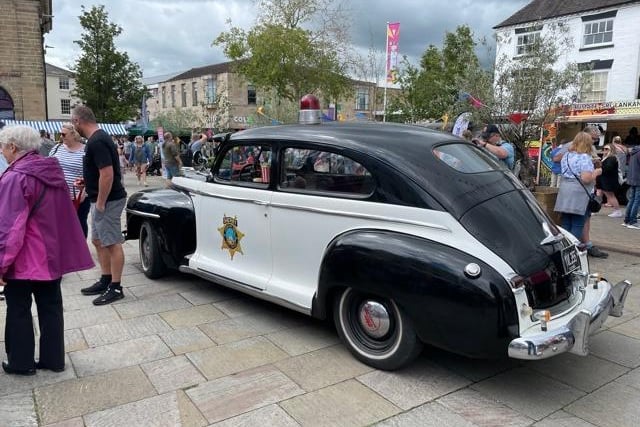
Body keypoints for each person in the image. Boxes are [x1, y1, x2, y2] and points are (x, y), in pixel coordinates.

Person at [0, 125, 94, 375]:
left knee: (18, 307)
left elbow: (10, 228)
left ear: (12, 147)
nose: (2, 152)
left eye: (2, 147)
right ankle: (54, 359)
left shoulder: (15, 177)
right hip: (51, 254)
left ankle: (21, 362)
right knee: (51, 306)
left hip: (24, 257)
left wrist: (1, 264)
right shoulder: (53, 170)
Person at [72, 105, 128, 305]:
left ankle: (116, 287)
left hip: (108, 200)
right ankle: (106, 279)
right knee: (98, 240)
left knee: (112, 242)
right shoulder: (97, 139)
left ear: (79, 121)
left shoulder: (97, 141)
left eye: (73, 122)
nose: (73, 126)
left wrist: (102, 203)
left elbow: (108, 173)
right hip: (101, 198)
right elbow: (101, 173)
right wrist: (87, 182)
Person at [554, 132, 602, 249]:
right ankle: (573, 249)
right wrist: (596, 172)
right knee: (578, 223)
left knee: (566, 222)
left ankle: (564, 247)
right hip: (579, 194)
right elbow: (586, 179)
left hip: (565, 191)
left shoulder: (566, 156)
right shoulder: (584, 157)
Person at [49, 122, 91, 237]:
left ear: (74, 134)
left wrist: (85, 191)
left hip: (80, 196)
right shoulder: (57, 148)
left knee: (79, 223)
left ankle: (80, 250)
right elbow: (48, 167)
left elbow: (92, 173)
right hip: (59, 195)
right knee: (60, 224)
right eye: (60, 134)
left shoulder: (86, 150)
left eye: (64, 134)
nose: (61, 137)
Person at [599, 143, 623, 218]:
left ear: (611, 150)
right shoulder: (607, 157)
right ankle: (594, 209)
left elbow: (608, 168)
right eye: (604, 149)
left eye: (607, 149)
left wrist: (600, 165)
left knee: (610, 195)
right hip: (605, 179)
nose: (604, 150)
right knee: (603, 194)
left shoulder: (612, 158)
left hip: (609, 180)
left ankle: (617, 211)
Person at [623, 144, 640, 229]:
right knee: (637, 201)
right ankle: (632, 221)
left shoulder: (634, 152)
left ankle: (627, 220)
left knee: (632, 200)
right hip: (638, 180)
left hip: (633, 179)